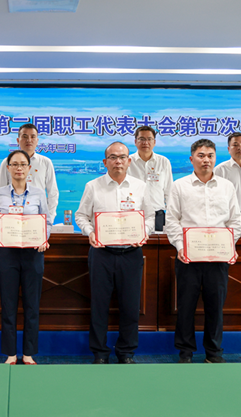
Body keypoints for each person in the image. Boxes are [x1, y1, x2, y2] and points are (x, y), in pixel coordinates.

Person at [75, 142, 155, 364]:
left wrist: (144, 232)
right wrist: (90, 232)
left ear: (129, 161)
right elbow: (81, 216)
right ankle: (100, 353)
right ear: (105, 162)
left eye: (122, 157)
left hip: (131, 253)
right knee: (99, 305)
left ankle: (126, 352)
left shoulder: (140, 186)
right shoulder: (93, 186)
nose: (118, 161)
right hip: (102, 253)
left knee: (130, 306)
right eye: (113, 157)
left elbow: (150, 217)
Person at [165, 139, 241, 363]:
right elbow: (172, 221)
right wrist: (180, 246)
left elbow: (235, 221)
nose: (206, 159)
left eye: (210, 155)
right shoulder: (179, 186)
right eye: (201, 155)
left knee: (215, 307)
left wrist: (229, 246)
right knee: (186, 306)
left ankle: (214, 353)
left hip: (218, 257)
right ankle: (185, 352)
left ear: (215, 158)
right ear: (192, 159)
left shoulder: (226, 187)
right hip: (188, 257)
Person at [0, 150, 51, 365]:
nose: (19, 168)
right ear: (8, 168)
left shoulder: (38, 193)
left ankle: (29, 352)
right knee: (8, 304)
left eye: (23, 164)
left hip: (33, 254)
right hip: (8, 253)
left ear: (29, 168)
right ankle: (10, 353)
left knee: (32, 305)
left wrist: (44, 238)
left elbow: (46, 222)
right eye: (14, 164)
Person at [0, 124, 59, 224]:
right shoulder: (7, 162)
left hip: (37, 219)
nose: (29, 140)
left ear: (37, 140)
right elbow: (0, 191)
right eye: (25, 136)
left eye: (33, 137)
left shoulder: (45, 162)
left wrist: (49, 219)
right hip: (12, 219)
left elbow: (53, 193)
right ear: (18, 140)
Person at [127, 125, 173, 231]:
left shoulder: (163, 162)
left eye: (149, 139)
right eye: (141, 139)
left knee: (158, 241)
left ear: (154, 142)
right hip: (133, 213)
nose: (145, 142)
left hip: (157, 214)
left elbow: (169, 190)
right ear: (135, 141)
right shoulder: (127, 162)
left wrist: (171, 216)